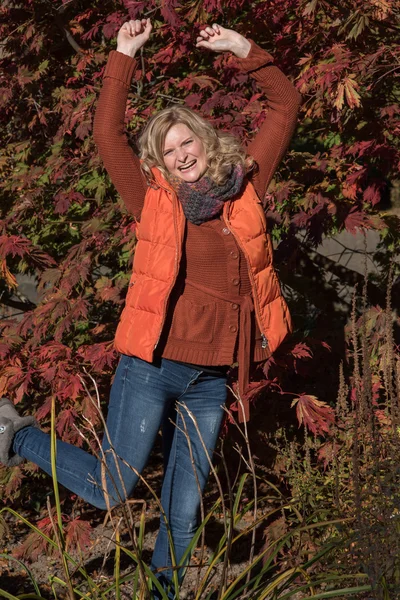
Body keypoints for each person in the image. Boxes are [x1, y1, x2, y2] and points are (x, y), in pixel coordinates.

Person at [0, 18, 301, 598]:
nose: (182, 154)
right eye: (169, 150)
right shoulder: (153, 202)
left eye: (187, 141)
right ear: (158, 164)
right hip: (153, 367)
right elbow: (108, 135)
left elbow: (286, 106)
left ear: (205, 141)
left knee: (184, 515)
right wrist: (123, 55)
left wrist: (243, 49)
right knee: (114, 485)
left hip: (211, 380)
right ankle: (17, 436)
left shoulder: (245, 188)